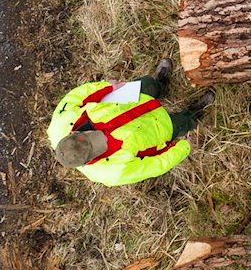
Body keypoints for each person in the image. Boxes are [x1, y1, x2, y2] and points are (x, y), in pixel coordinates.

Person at [47, 59, 214, 186]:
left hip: (131, 100)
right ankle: (195, 112)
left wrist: (107, 87)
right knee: (182, 123)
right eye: (99, 146)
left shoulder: (60, 123)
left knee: (148, 86)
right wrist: (183, 148)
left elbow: (78, 96)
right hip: (156, 131)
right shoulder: (112, 173)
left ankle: (159, 83)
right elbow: (155, 165)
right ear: (86, 163)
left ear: (75, 133)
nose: (104, 139)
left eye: (94, 136)